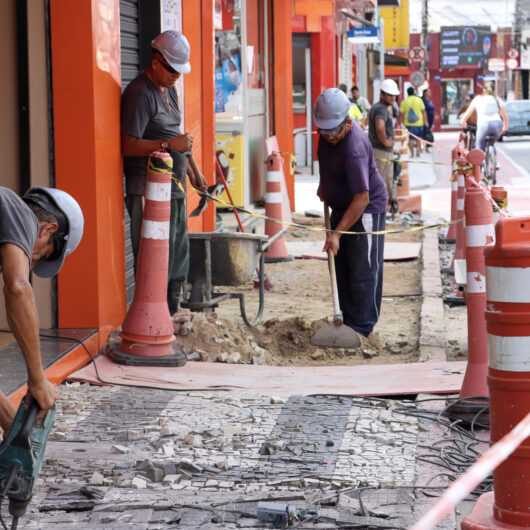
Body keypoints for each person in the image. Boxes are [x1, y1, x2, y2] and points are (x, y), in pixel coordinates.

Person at [121, 31, 206, 320]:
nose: (176, 77)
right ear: (156, 62)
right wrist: (169, 146)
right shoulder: (139, 94)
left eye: (179, 72)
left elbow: (177, 136)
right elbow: (129, 144)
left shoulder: (168, 90)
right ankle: (152, 314)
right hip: (148, 191)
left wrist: (194, 170)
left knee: (176, 250)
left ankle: (171, 310)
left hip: (174, 186)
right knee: (152, 255)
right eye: (172, 70)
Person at [0, 186, 84, 432]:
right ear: (48, 229)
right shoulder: (20, 213)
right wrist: (37, 379)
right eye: (43, 255)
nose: (31, 259)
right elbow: (17, 287)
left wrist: (10, 424)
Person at [314, 88, 388, 339]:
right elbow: (326, 163)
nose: (328, 137)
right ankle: (346, 319)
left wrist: (336, 233)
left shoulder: (354, 147)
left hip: (366, 206)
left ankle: (363, 327)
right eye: (323, 132)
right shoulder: (325, 135)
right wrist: (325, 187)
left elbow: (362, 197)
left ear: (346, 123)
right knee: (342, 263)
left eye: (332, 132)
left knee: (362, 267)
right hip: (342, 204)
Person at [368, 79, 400, 205]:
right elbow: (380, 128)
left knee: (382, 180)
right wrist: (387, 143)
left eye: (394, 95)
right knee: (382, 182)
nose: (393, 98)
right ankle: (379, 210)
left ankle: (382, 208)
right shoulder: (381, 110)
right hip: (382, 152)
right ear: (382, 94)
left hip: (378, 151)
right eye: (390, 95)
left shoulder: (376, 107)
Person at [460, 84, 509, 151]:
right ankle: (492, 156)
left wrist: (463, 122)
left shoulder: (477, 99)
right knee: (492, 142)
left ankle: (482, 157)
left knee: (479, 146)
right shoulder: (497, 99)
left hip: (484, 124)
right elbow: (505, 116)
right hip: (497, 124)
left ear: (483, 91)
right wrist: (505, 127)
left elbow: (467, 114)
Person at [400, 86, 427, 157]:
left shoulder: (404, 101)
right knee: (418, 138)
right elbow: (423, 112)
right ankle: (418, 152)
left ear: (407, 93)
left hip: (408, 124)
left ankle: (412, 153)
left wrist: (402, 123)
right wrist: (425, 122)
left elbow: (402, 114)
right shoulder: (419, 100)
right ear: (414, 92)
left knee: (410, 139)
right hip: (419, 124)